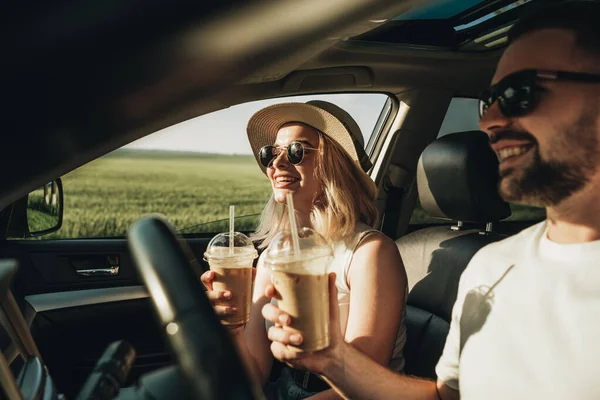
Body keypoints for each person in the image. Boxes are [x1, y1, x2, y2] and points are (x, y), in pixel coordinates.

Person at [262, 2, 600, 399]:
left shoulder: (373, 252)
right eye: (487, 100)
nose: (488, 121)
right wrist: (332, 358)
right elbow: (445, 397)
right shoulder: (492, 266)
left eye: (518, 93)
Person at [201, 100, 408, 399]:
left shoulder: (369, 252)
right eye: (271, 153)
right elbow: (256, 374)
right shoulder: (274, 255)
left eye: (296, 151)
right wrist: (231, 326)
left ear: (333, 165)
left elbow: (364, 385)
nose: (277, 163)